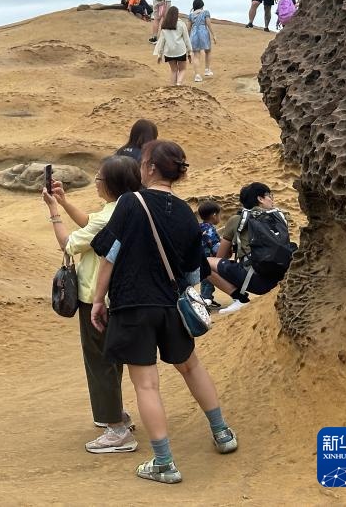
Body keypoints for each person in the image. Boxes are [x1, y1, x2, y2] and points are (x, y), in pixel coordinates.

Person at [90, 140, 238, 484]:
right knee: (191, 366)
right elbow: (193, 270)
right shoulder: (186, 212)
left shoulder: (130, 202)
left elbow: (109, 255)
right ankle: (222, 433)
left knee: (146, 385)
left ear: (151, 167)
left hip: (133, 305)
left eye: (143, 161)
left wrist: (98, 300)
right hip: (172, 305)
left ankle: (164, 463)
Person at [42, 155, 143, 454]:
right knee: (113, 359)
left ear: (110, 184)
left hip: (95, 298)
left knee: (99, 362)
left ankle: (116, 428)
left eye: (99, 179)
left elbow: (69, 244)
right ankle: (115, 413)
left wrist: (53, 211)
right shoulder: (129, 209)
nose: (96, 183)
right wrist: (64, 201)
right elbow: (90, 223)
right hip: (123, 296)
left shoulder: (107, 216)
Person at [208, 182, 289, 315]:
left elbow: (220, 257)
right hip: (283, 279)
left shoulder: (237, 220)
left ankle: (240, 299)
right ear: (260, 198)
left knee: (203, 262)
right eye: (269, 195)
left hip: (255, 281)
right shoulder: (279, 218)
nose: (272, 199)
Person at [153, 6, 192, 86]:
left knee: (174, 70)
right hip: (180, 50)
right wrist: (190, 51)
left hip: (169, 52)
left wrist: (159, 54)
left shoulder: (164, 25)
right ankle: (179, 84)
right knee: (182, 69)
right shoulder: (181, 24)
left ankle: (173, 87)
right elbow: (186, 39)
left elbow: (162, 41)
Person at [197, 200, 222, 309]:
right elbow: (215, 246)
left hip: (201, 259)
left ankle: (207, 298)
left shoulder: (201, 226)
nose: (220, 217)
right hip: (208, 260)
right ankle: (206, 299)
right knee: (209, 280)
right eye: (219, 214)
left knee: (205, 280)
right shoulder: (209, 229)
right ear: (214, 215)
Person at [186, 0, 217, 82]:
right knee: (208, 51)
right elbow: (209, 24)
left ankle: (197, 75)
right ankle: (207, 70)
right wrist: (213, 35)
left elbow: (188, 29)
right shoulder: (205, 12)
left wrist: (187, 39)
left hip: (194, 34)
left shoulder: (191, 15)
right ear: (202, 5)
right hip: (203, 33)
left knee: (196, 55)